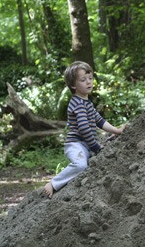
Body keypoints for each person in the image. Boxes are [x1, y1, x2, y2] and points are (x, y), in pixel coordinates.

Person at [43, 61, 125, 198]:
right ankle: (53, 183)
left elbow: (99, 120)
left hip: (85, 145)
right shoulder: (78, 104)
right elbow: (84, 129)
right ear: (73, 85)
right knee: (81, 165)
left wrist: (117, 131)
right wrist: (96, 147)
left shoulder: (87, 102)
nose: (89, 82)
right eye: (83, 80)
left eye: (90, 78)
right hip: (75, 145)